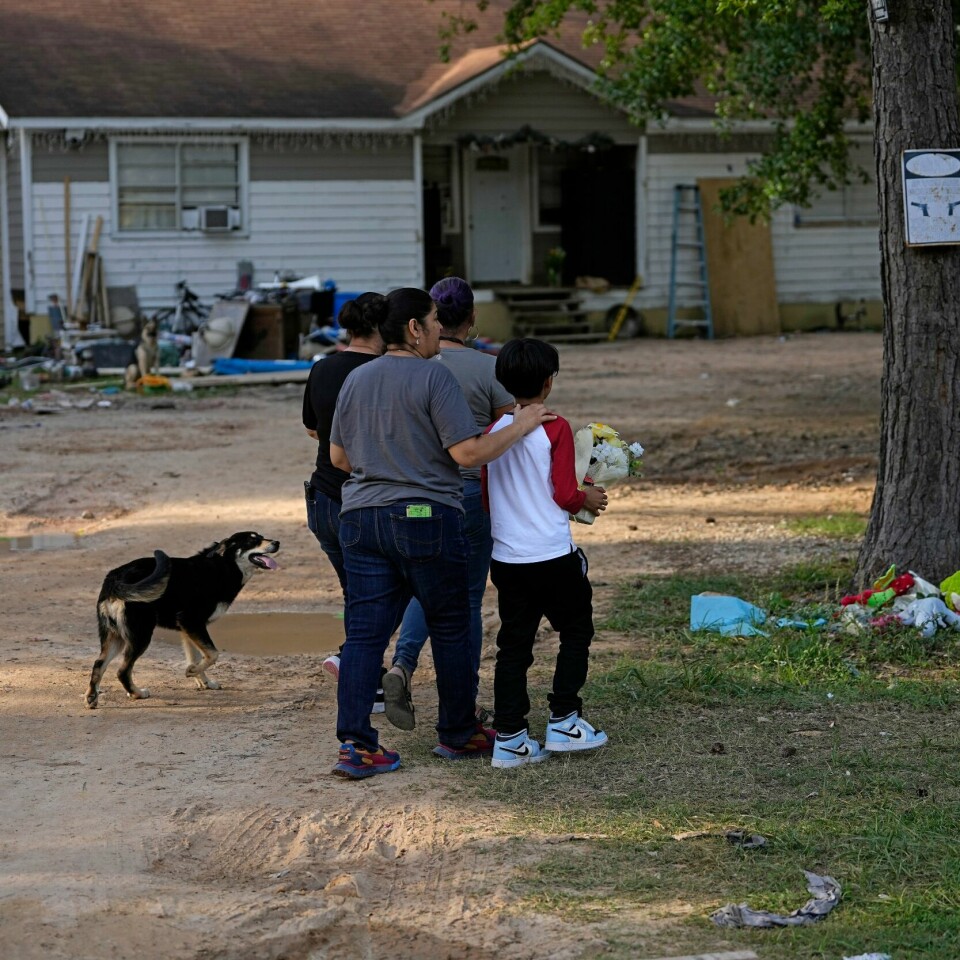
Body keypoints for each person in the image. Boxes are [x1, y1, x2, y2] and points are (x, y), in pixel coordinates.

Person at [328, 288, 555, 779]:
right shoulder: (434, 375)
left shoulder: (355, 377)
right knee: (452, 624)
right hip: (425, 517)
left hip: (360, 519)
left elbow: (339, 460)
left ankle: (357, 747)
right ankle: (458, 733)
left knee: (364, 634)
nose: (438, 329)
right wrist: (521, 424)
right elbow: (468, 454)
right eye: (432, 321)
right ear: (414, 328)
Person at [382, 277, 514, 732]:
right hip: (468, 494)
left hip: (416, 495)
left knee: (425, 587)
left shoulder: (411, 367)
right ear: (473, 319)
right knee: (468, 599)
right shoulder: (488, 369)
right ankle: (465, 704)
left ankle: (401, 663)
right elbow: (509, 432)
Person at [482, 338, 609, 769]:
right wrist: (586, 498)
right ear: (549, 382)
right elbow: (563, 492)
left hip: (507, 558)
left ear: (502, 381)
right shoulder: (554, 427)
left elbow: (485, 497)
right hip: (552, 555)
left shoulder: (493, 431)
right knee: (576, 631)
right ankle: (564, 720)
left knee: (513, 646)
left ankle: (511, 738)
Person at [302, 293, 387, 712]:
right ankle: (356, 666)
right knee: (383, 592)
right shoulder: (382, 371)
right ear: (381, 329)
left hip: (321, 498)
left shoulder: (322, 368)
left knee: (357, 592)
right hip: (363, 498)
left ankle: (363, 671)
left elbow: (313, 430)